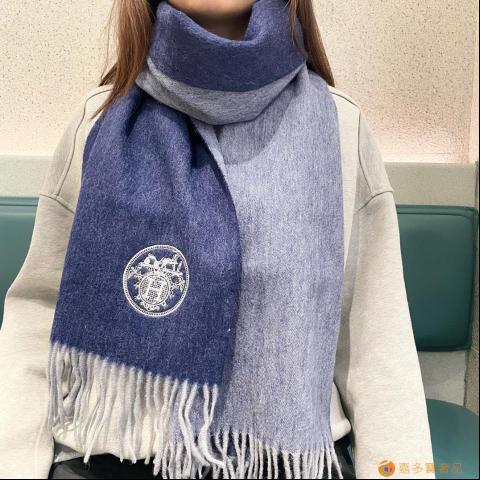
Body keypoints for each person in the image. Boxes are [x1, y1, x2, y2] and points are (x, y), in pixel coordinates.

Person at [0, 1, 435, 479]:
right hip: (109, 460)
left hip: (285, 463)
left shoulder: (339, 127)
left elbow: (377, 342)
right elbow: (37, 316)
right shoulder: (97, 122)